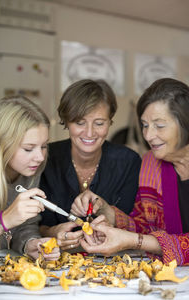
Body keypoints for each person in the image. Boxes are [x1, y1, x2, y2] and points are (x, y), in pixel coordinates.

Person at [79, 78, 189, 266]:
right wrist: (106, 211)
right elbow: (145, 225)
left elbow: (141, 238)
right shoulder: (150, 163)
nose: (148, 135)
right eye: (145, 125)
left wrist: (134, 241)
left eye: (159, 126)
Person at [39, 79, 141, 250]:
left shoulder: (129, 162)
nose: (89, 133)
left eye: (99, 123)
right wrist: (53, 232)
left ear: (110, 122)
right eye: (79, 123)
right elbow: (34, 227)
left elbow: (137, 224)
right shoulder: (45, 158)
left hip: (115, 262)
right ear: (66, 122)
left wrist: (107, 213)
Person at [0, 96, 60, 260]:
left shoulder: (31, 169)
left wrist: (30, 244)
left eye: (43, 146)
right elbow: (8, 222)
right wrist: (3, 220)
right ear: (2, 145)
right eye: (29, 148)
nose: (40, 157)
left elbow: (25, 225)